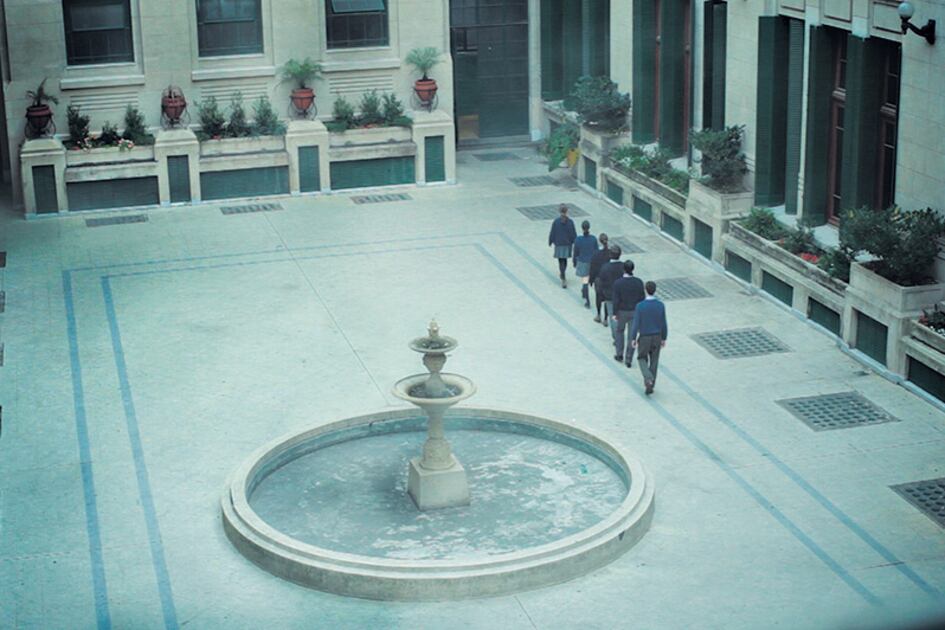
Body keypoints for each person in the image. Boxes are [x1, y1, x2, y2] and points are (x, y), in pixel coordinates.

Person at [630, 281, 668, 395]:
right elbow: (663, 323)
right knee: (654, 360)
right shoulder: (660, 305)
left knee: (642, 357)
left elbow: (636, 324)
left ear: (645, 290)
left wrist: (633, 337)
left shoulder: (640, 306)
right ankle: (651, 383)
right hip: (657, 336)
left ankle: (648, 377)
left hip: (644, 337)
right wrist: (664, 338)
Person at [610, 260, 646, 366]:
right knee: (632, 335)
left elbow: (615, 300)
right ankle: (629, 359)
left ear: (623, 269)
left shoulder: (618, 283)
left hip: (622, 312)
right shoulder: (639, 282)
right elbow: (642, 298)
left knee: (619, 331)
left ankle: (619, 354)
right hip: (635, 312)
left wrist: (615, 313)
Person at [596, 245, 624, 333]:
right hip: (621, 295)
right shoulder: (623, 266)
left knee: (613, 316)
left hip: (609, 295)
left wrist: (601, 292)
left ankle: (617, 337)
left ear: (610, 255)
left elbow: (601, 281)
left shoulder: (605, 267)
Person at [548, 204, 577, 288]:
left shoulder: (556, 221)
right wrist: (574, 241)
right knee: (564, 260)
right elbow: (573, 233)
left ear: (559, 211)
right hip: (567, 244)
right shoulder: (570, 222)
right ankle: (563, 274)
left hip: (559, 244)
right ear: (566, 211)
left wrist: (550, 241)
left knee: (560, 260)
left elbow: (552, 232)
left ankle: (563, 274)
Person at [572, 221, 598, 308]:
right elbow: (596, 251)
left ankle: (587, 300)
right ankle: (584, 290)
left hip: (583, 262)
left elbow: (576, 252)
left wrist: (574, 262)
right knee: (588, 281)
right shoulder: (593, 239)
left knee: (585, 281)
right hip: (592, 263)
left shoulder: (578, 239)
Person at [588, 233, 610, 323]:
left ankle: (598, 315)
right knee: (607, 299)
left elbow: (592, 268)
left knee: (598, 297)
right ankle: (605, 319)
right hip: (608, 279)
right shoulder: (610, 253)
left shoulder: (596, 254)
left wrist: (591, 280)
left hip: (599, 279)